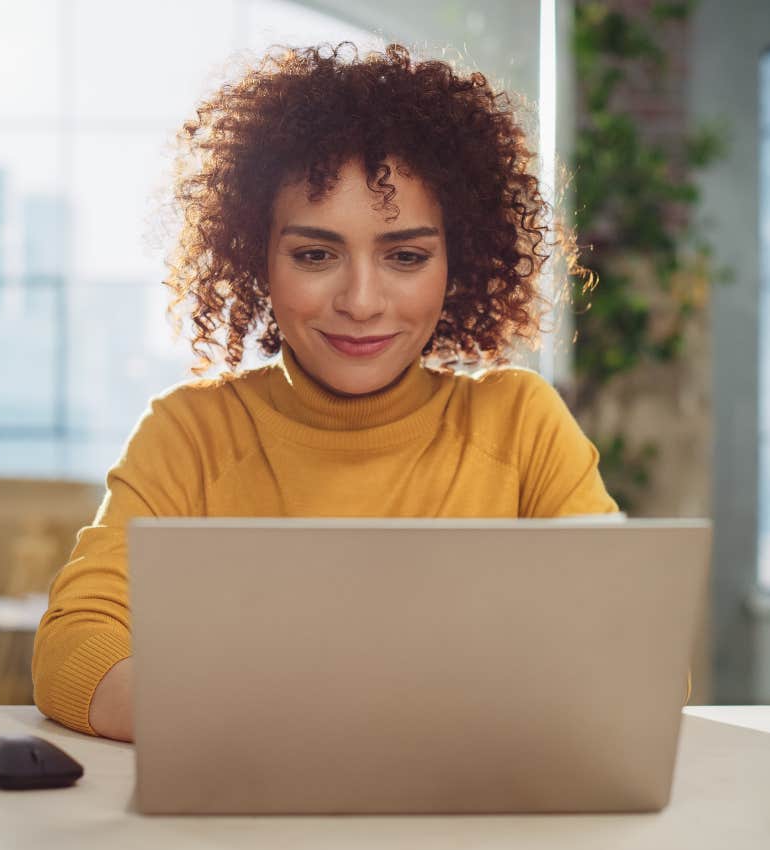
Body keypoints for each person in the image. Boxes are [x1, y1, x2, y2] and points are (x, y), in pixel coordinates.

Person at [32, 42, 619, 742]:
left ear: (458, 263)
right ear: (257, 259)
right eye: (315, 255)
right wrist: (284, 726)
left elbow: (631, 660)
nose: (362, 301)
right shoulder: (191, 433)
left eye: (406, 256)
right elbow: (75, 647)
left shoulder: (519, 425)